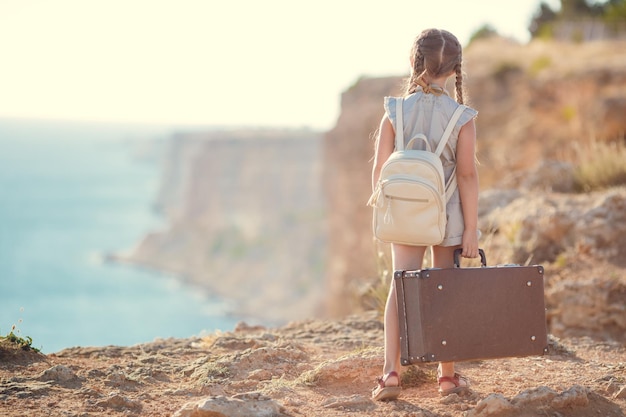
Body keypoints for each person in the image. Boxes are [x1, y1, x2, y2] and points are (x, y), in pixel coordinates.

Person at [370, 28, 480, 401]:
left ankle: (390, 374)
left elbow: (381, 170)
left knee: (399, 285)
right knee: (444, 289)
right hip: (448, 215)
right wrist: (472, 230)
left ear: (414, 62)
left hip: (406, 210)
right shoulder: (462, 116)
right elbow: (466, 175)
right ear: (454, 70)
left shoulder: (394, 110)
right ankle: (446, 376)